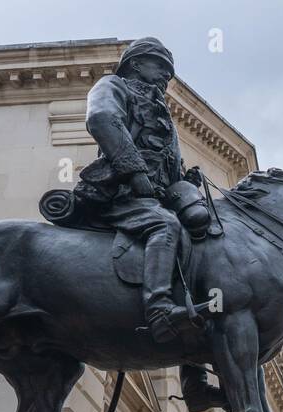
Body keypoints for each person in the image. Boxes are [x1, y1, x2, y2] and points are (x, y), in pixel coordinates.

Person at [73, 37, 194, 342]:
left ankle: (195, 375)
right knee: (165, 226)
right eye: (161, 66)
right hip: (121, 194)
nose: (167, 75)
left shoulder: (162, 112)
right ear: (136, 64)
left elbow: (166, 161)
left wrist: (185, 179)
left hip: (157, 197)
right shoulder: (114, 85)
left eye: (170, 70)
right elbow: (101, 119)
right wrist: (134, 171)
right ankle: (159, 310)